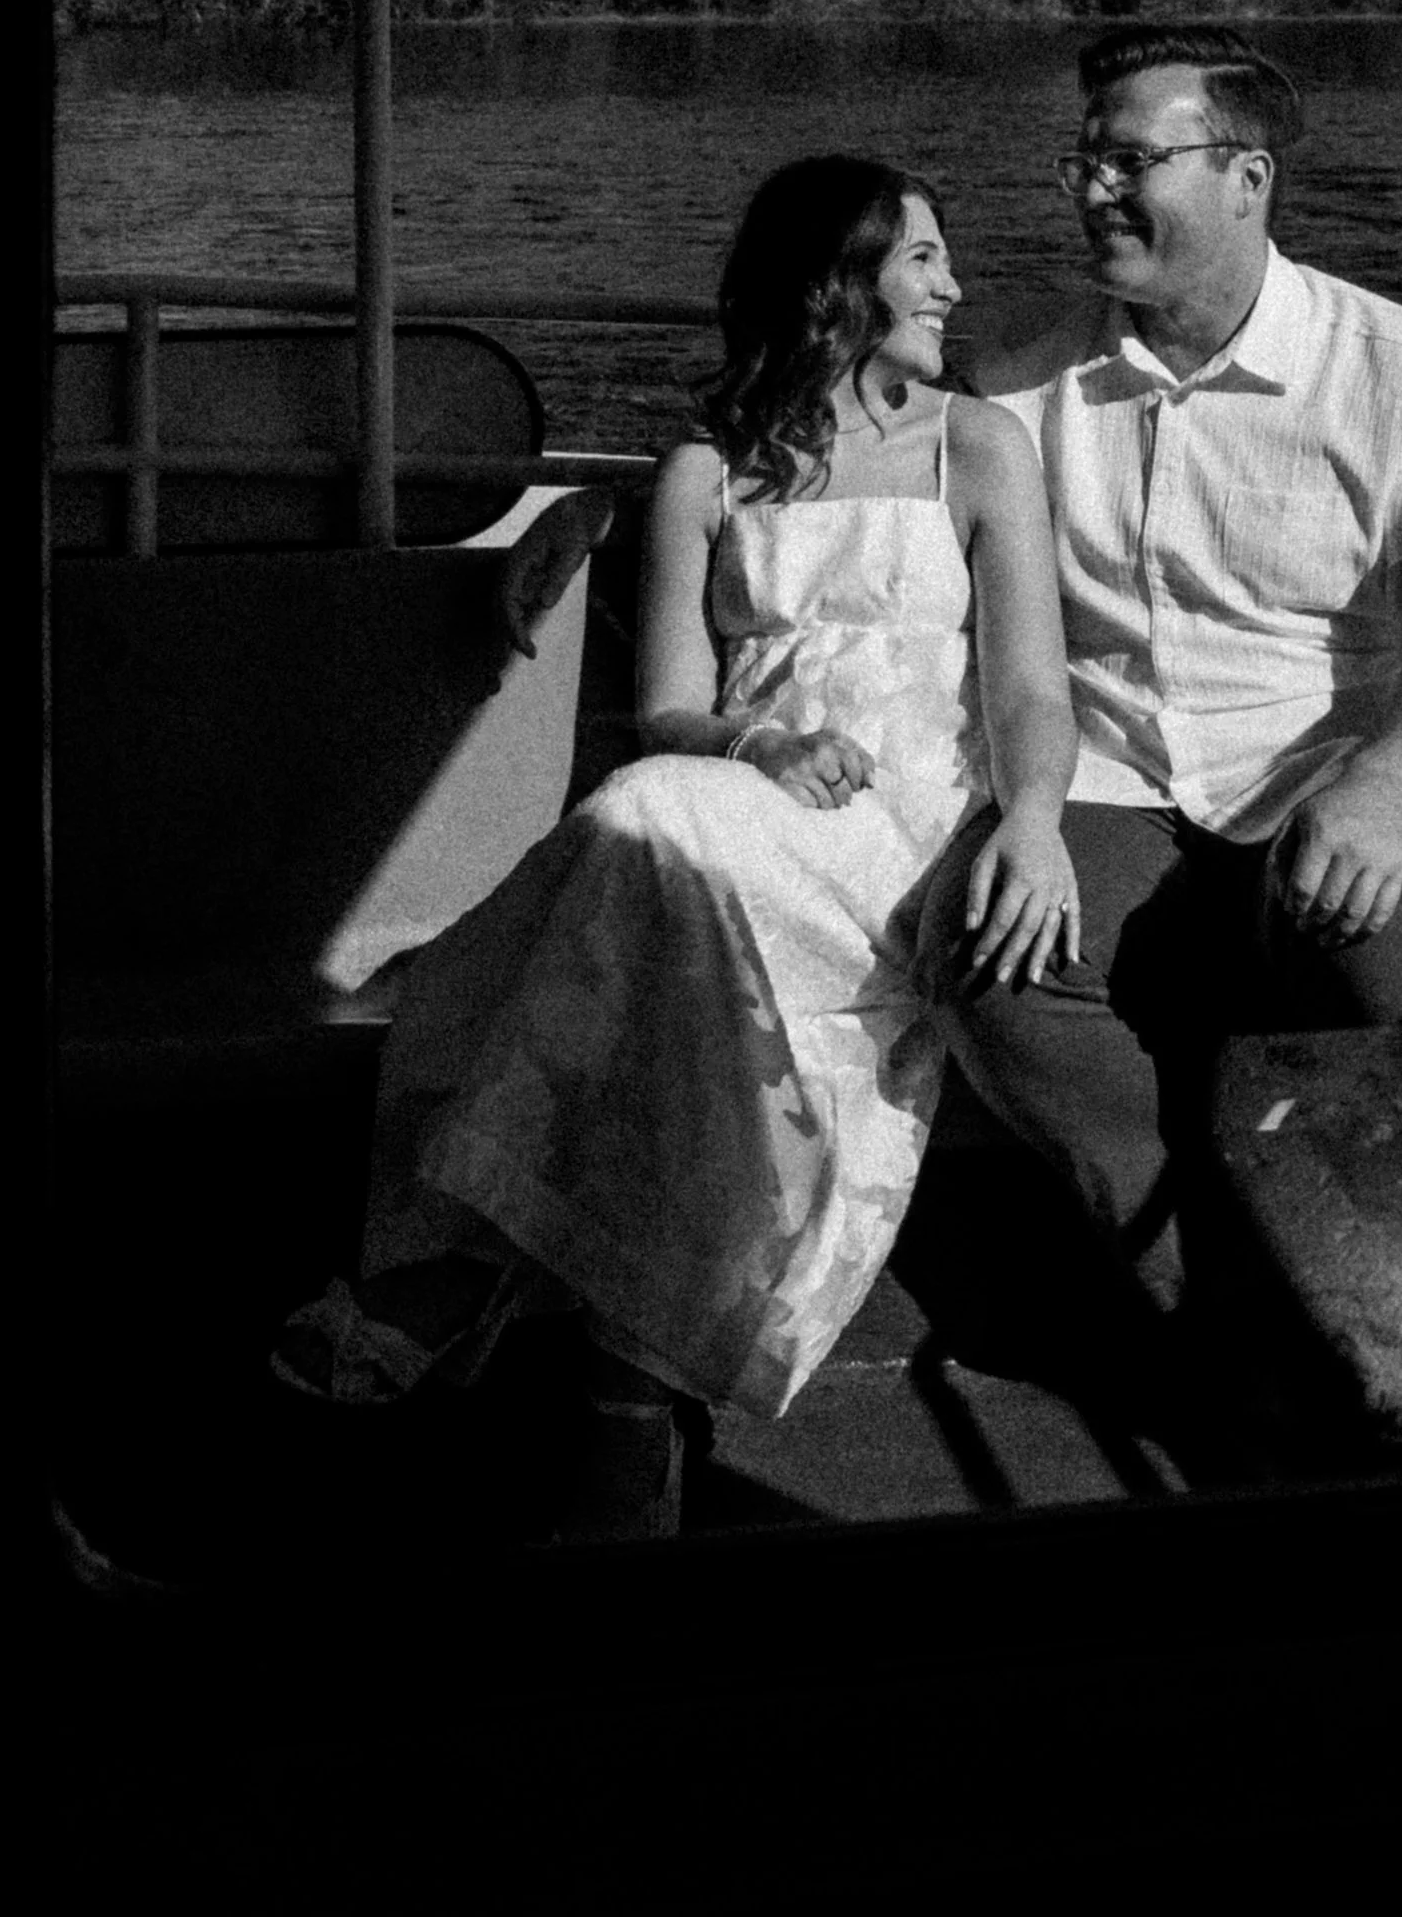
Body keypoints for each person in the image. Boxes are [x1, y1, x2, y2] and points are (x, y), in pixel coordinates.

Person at [273, 157, 1080, 1541]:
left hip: (894, 832)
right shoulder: (709, 468)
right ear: (841, 281)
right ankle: (623, 1404)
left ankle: (464, 1266)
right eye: (926, 257)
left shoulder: (980, 445)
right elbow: (667, 704)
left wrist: (1035, 820)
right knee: (659, 839)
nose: (953, 285)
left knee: (637, 828)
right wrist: (756, 746)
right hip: (741, 795)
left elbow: (1026, 690)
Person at [912, 25, 1402, 1431]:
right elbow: (825, 428)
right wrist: (610, 509)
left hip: (1335, 779)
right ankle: (1216, 1295)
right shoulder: (1014, 363)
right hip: (1116, 775)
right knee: (984, 955)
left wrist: (1377, 790)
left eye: (1132, 160)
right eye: (1083, 160)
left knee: (1394, 979)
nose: (1091, 191)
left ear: (1248, 177)